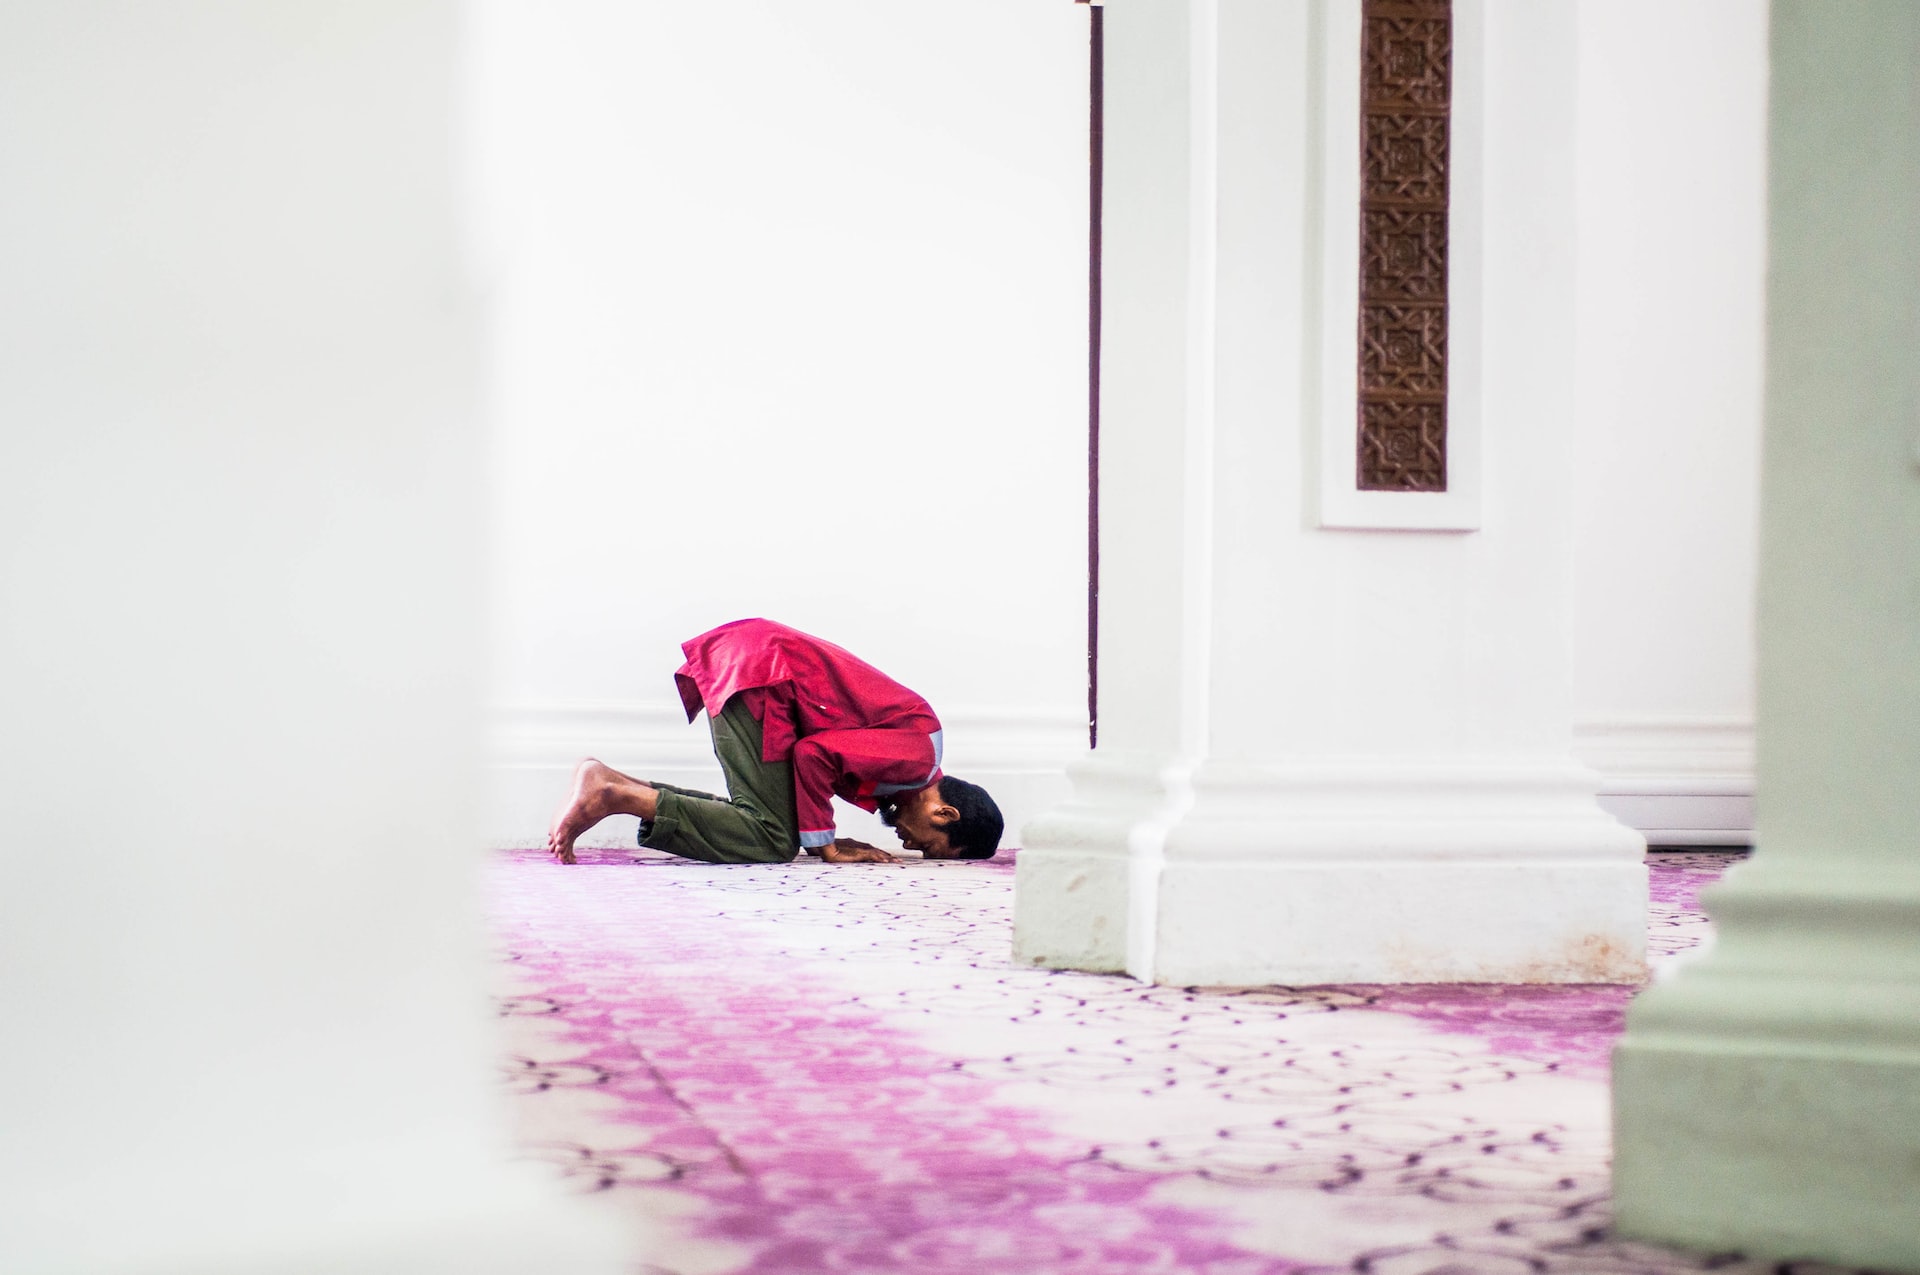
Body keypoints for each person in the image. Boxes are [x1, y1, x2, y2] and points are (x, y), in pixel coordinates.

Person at [545, 618, 1004, 866]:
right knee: (772, 839)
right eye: (928, 846)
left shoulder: (914, 754)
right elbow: (813, 753)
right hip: (764, 675)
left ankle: (610, 781)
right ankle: (614, 795)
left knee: (769, 822)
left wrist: (818, 836)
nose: (909, 847)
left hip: (760, 671)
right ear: (944, 813)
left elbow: (817, 755)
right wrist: (824, 845)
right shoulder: (918, 759)